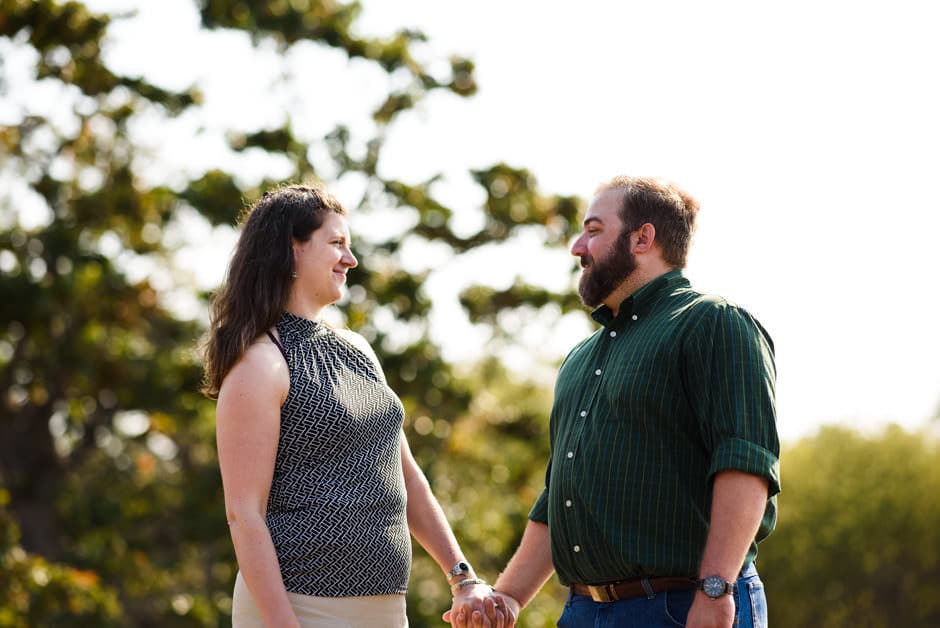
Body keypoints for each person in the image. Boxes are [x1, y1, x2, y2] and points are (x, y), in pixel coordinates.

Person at [448, 176, 780, 628]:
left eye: (594, 230)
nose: (577, 246)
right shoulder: (579, 360)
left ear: (643, 238)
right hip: (584, 611)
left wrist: (716, 589)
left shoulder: (714, 323)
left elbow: (744, 464)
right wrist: (508, 597)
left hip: (684, 606)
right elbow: (560, 497)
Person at [201, 184, 507, 627]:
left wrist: (462, 577)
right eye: (337, 244)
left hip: (385, 610)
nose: (351, 259)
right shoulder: (260, 364)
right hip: (299, 609)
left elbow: (405, 477)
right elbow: (244, 514)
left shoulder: (357, 348)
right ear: (292, 248)